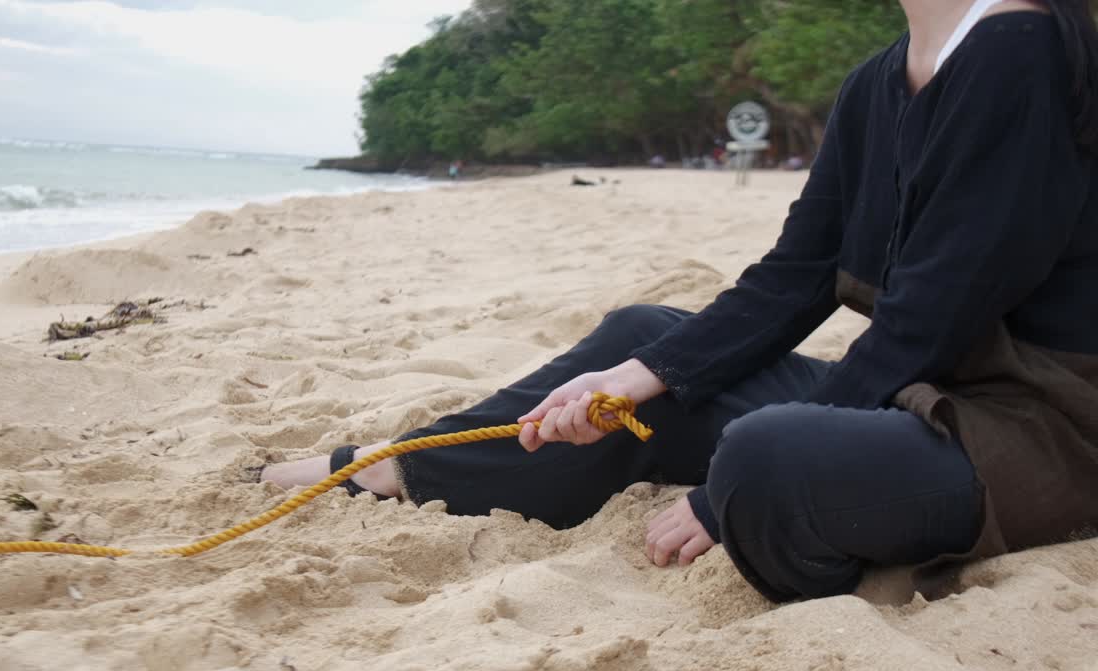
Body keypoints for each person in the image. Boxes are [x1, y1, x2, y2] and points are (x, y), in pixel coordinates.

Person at [263, 0, 1098, 602]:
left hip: (1042, 425)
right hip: (922, 392)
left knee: (767, 459)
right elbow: (790, 280)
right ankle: (401, 468)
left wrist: (714, 500)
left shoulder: (1017, 47)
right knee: (638, 345)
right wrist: (641, 373)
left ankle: (828, 514)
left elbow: (936, 314)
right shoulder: (876, 80)